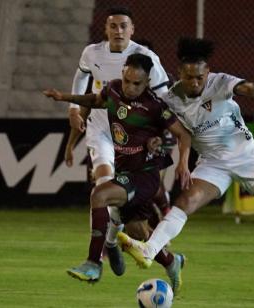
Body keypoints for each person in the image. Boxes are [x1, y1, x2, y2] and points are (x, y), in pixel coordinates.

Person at [118, 38, 254, 278]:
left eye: (199, 77)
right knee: (185, 202)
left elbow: (246, 87)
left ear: (208, 73)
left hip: (245, 157)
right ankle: (149, 250)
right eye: (189, 77)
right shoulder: (171, 100)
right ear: (180, 72)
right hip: (213, 164)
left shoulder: (220, 82)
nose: (194, 82)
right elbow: (171, 131)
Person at [43, 54, 192, 290]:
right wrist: (65, 98)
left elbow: (183, 134)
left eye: (137, 83)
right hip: (126, 171)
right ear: (122, 74)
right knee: (137, 231)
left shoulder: (155, 106)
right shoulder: (113, 90)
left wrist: (182, 161)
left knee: (99, 195)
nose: (130, 87)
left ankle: (93, 262)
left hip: (145, 176)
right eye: (127, 81)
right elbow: (95, 99)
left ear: (147, 82)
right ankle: (172, 262)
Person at [64, 6, 173, 281]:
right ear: (106, 29)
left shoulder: (146, 58)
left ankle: (115, 242)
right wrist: (73, 110)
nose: (118, 31)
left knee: (138, 208)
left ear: (132, 29)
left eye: (124, 25)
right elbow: (82, 78)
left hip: (137, 138)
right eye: (113, 26)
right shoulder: (91, 53)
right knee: (102, 188)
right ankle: (96, 257)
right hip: (101, 131)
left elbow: (165, 97)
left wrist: (162, 133)